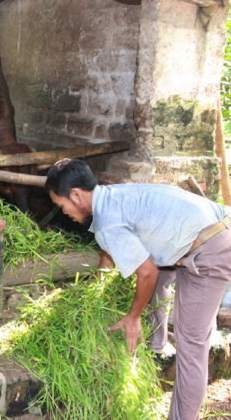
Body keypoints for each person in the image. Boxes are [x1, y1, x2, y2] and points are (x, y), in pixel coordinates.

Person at [45, 158, 231, 420]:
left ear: (75, 195)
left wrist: (133, 317)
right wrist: (92, 293)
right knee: (161, 274)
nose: (63, 211)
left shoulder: (108, 221)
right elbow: (109, 253)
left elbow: (147, 273)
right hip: (210, 226)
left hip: (210, 250)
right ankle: (157, 343)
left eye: (60, 205)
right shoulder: (111, 196)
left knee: (191, 345)